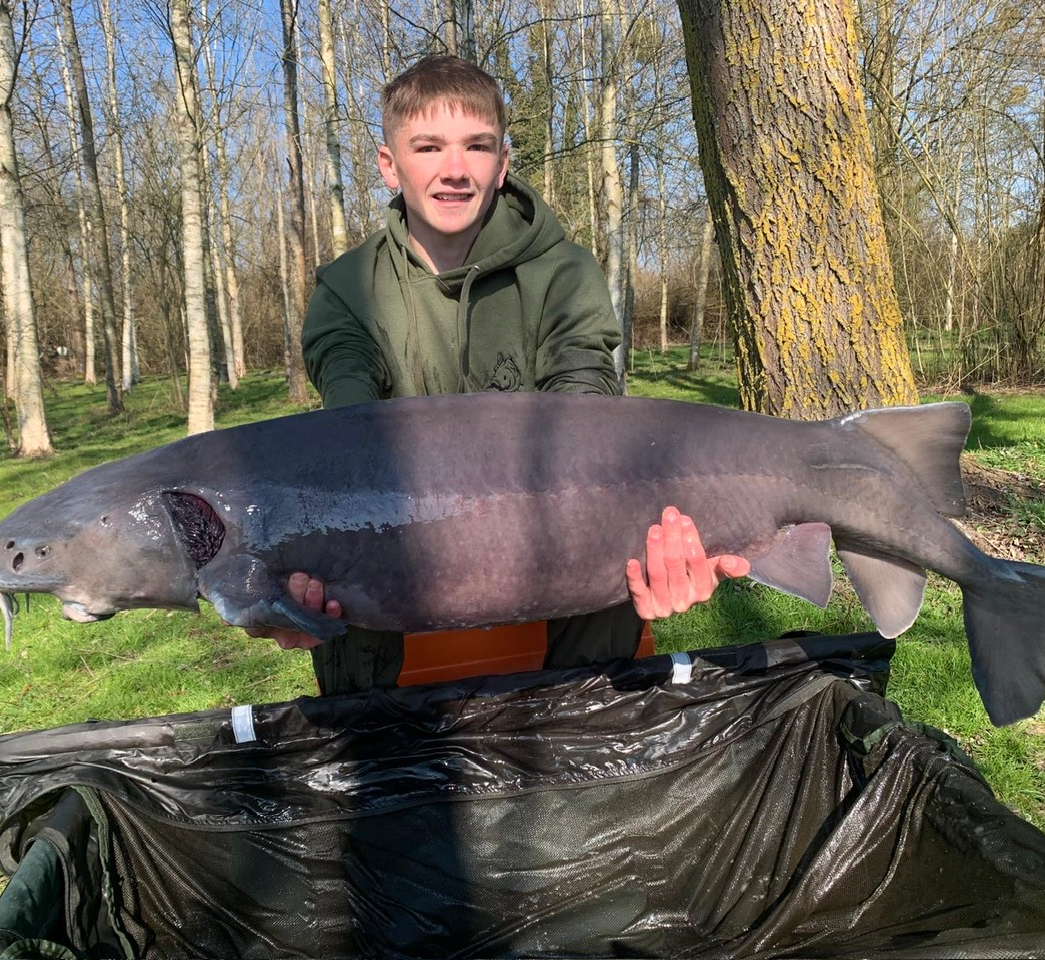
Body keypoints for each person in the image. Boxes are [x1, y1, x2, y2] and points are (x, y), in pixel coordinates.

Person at [251, 55, 748, 694]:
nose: (455, 169)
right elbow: (347, 443)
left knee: (611, 525)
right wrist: (281, 591)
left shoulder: (565, 273)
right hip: (401, 601)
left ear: (502, 163)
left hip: (563, 581)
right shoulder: (346, 291)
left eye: (477, 146)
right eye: (428, 147)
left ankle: (581, 727)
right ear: (389, 165)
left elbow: (587, 425)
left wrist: (669, 552)